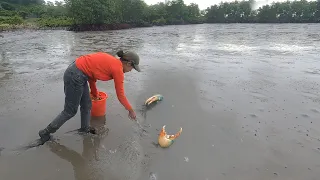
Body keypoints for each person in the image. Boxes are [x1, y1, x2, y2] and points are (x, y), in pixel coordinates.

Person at [38, 50, 141, 143]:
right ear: (128, 63)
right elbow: (120, 95)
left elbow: (91, 74)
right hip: (75, 75)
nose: (131, 70)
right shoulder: (117, 69)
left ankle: (84, 129)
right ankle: (45, 133)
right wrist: (130, 110)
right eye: (132, 68)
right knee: (70, 111)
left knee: (87, 105)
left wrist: (95, 93)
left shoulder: (112, 61)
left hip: (79, 72)